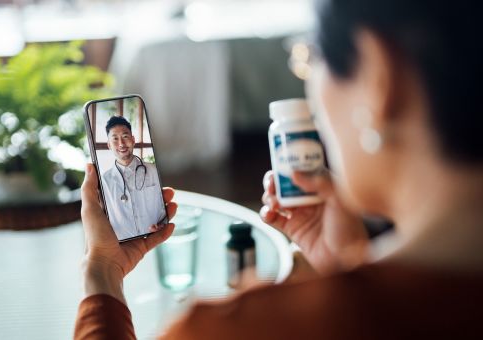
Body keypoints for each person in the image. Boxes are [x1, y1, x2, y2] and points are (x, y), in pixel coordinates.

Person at [75, 0, 483, 338]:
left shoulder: (239, 330)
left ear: (380, 78)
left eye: (310, 57)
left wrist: (103, 274)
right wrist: (348, 266)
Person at [101, 116, 167, 241]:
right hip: (122, 247)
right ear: (109, 145)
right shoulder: (103, 182)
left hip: (156, 239)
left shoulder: (154, 171)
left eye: (125, 137)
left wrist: (162, 225)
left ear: (133, 139)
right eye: (115, 139)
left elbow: (166, 209)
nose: (121, 144)